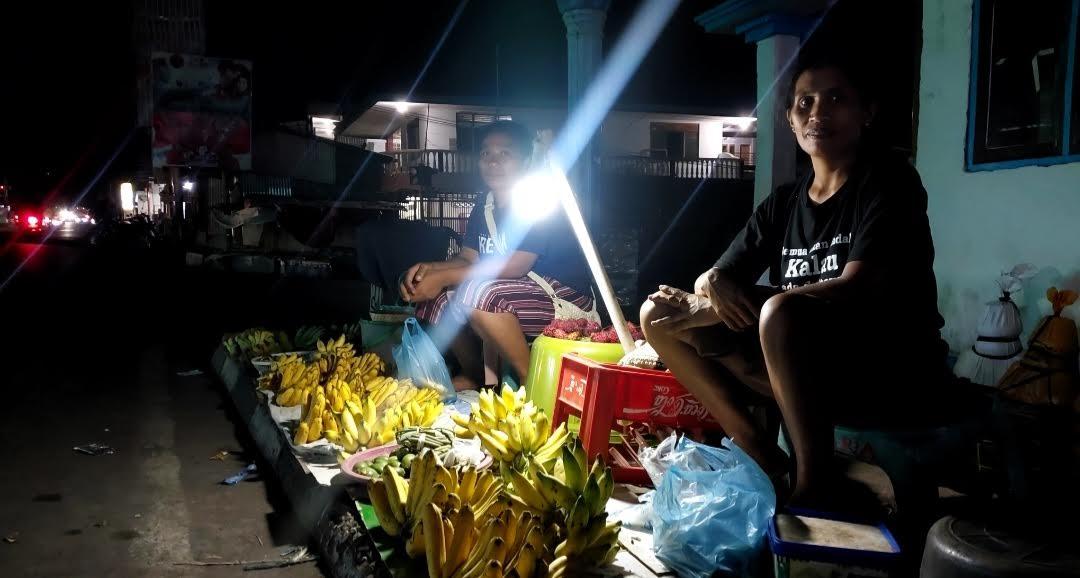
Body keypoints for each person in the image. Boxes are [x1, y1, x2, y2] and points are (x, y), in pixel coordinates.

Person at [639, 51, 949, 508]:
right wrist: (714, 280)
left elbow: (858, 289)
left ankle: (815, 481)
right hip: (800, 367)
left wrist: (740, 302)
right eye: (805, 102)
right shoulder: (784, 203)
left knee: (779, 313)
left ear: (867, 112)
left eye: (836, 99)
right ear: (788, 118)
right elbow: (717, 278)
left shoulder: (889, 183)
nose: (818, 113)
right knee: (657, 313)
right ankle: (761, 452)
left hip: (887, 368)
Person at [401, 121, 595, 390]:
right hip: (514, 291)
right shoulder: (485, 203)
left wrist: (444, 276)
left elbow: (516, 265)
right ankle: (476, 376)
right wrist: (430, 269)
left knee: (476, 295)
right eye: (485, 154)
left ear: (526, 160)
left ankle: (532, 378)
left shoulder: (536, 199)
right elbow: (469, 258)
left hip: (563, 297)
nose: (493, 161)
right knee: (442, 297)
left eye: (505, 153)